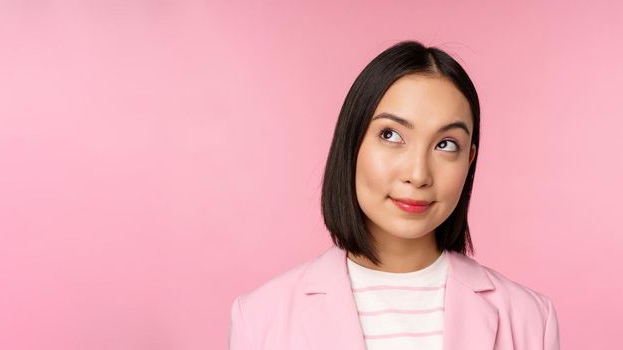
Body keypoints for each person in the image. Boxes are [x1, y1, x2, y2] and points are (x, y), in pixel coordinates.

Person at [228, 40, 560, 350]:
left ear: (469, 160)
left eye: (446, 145)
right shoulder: (260, 318)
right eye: (391, 135)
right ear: (352, 142)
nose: (417, 174)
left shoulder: (530, 318)